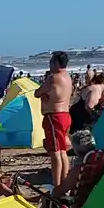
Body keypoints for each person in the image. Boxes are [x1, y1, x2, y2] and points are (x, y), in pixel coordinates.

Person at [36, 51, 74, 195]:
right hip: (65, 115)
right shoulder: (67, 77)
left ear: (57, 63)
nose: (50, 64)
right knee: (62, 150)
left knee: (55, 152)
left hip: (55, 116)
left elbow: (37, 92)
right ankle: (64, 182)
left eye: (51, 61)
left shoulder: (53, 78)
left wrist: (43, 93)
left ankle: (57, 184)